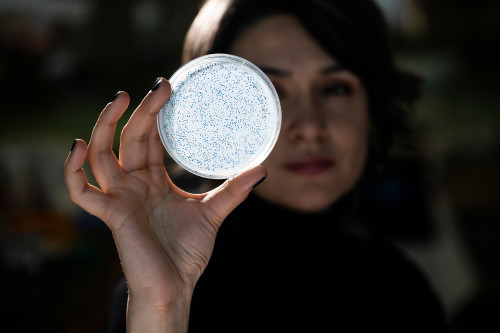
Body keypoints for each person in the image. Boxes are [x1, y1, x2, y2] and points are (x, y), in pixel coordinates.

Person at [64, 0, 450, 331]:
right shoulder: (160, 287)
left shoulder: (397, 283)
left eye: (335, 88)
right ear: (203, 113)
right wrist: (163, 310)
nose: (310, 127)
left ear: (372, 109)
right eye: (269, 95)